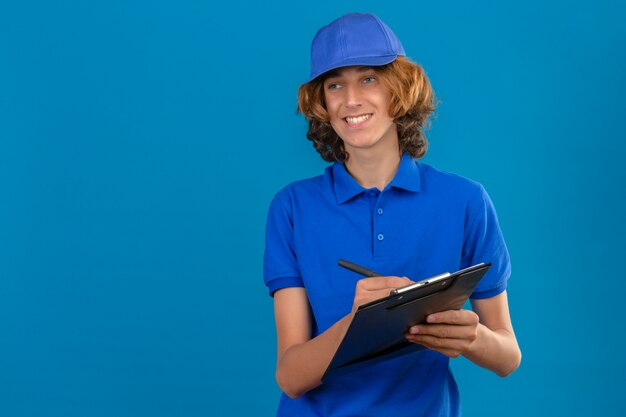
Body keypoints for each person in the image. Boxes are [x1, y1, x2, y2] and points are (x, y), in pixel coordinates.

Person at [263, 12, 521, 417]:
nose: (351, 99)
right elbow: (291, 377)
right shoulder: (292, 207)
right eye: (335, 85)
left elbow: (508, 357)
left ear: (400, 89)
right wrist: (360, 322)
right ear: (322, 104)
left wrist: (472, 339)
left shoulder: (466, 200)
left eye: (369, 78)